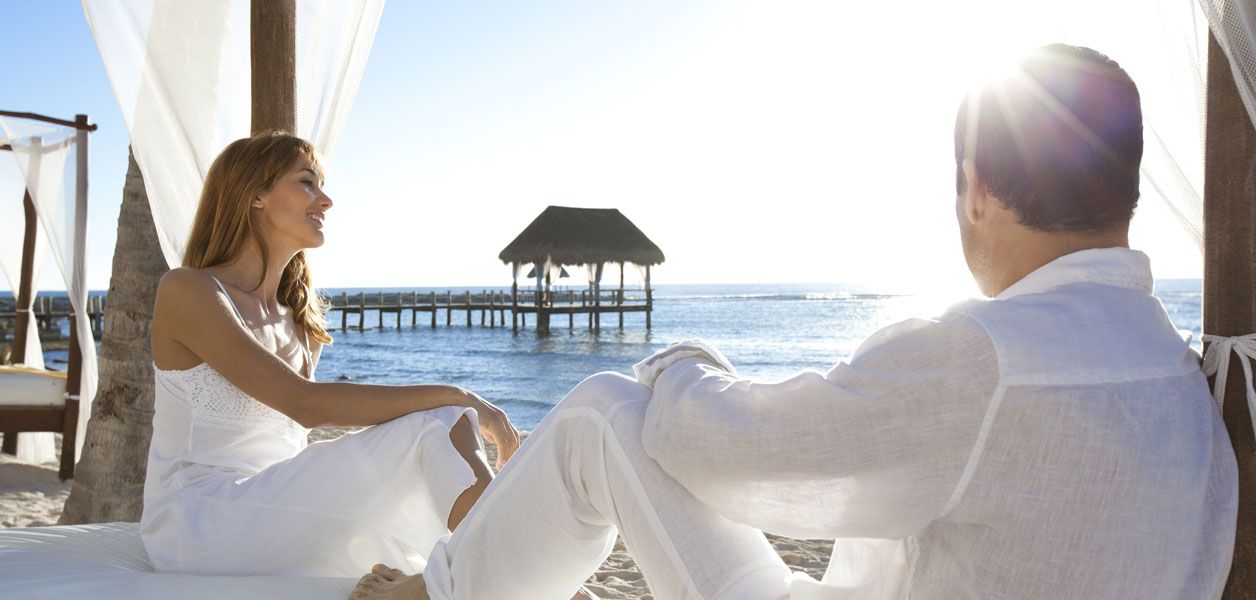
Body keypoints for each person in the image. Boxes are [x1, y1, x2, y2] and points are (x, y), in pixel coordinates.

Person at [352, 44, 1237, 600]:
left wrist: (686, 358)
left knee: (598, 412)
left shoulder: (988, 361)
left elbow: (716, 449)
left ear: (973, 188)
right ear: (1127, 189)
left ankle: (440, 593)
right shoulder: (1175, 364)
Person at [142, 132, 520, 578]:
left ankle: (518, 570)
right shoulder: (189, 289)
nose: (326, 200)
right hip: (199, 522)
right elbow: (306, 405)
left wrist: (453, 405)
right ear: (255, 195)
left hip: (275, 508)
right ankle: (520, 569)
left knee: (439, 432)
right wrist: (460, 396)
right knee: (443, 418)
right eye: (307, 182)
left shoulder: (300, 324)